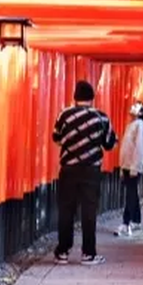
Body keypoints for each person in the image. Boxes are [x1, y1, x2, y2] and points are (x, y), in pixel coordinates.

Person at [52, 80, 117, 265]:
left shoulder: (64, 115)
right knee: (89, 212)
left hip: (68, 169)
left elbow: (56, 138)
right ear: (92, 98)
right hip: (91, 170)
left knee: (66, 210)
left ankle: (63, 251)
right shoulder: (101, 118)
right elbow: (109, 144)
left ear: (75, 97)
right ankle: (88, 253)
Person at [114, 101, 143, 237]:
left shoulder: (140, 126)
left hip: (133, 165)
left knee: (130, 193)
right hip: (127, 164)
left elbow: (139, 147)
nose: (132, 107)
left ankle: (126, 222)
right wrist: (122, 166)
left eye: (136, 106)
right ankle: (136, 220)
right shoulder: (132, 125)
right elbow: (126, 148)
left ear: (141, 112)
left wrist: (135, 167)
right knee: (132, 193)